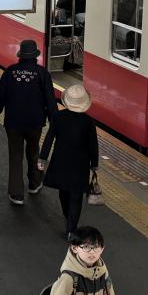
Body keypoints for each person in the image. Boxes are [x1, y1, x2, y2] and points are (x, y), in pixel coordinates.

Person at [0, 38, 58, 206]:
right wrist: (54, 121)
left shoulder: (10, 71)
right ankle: (35, 183)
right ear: (35, 56)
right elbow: (50, 100)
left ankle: (16, 194)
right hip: (35, 122)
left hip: (13, 122)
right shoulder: (42, 73)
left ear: (20, 55)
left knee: (15, 155)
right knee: (34, 151)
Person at [38, 83, 98, 236]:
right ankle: (72, 227)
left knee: (63, 191)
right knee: (76, 196)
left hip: (61, 160)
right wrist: (94, 164)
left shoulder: (58, 117)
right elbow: (93, 145)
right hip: (80, 164)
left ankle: (67, 216)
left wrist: (42, 158)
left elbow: (49, 138)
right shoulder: (88, 121)